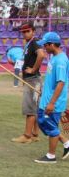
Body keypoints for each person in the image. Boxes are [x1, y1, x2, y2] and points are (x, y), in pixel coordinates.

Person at [33, 32, 69, 163]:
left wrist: (52, 103)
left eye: (46, 45)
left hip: (53, 102)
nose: (44, 48)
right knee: (44, 122)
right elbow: (52, 80)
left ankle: (51, 156)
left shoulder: (61, 61)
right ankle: (66, 143)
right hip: (47, 99)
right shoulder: (54, 58)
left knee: (49, 125)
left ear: (52, 44)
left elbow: (61, 82)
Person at [11, 22, 44, 144]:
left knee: (29, 108)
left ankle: (27, 135)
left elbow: (41, 55)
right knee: (34, 108)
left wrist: (33, 69)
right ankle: (35, 134)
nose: (25, 34)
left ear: (33, 31)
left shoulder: (34, 43)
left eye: (27, 31)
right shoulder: (29, 44)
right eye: (23, 32)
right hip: (34, 80)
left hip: (33, 79)